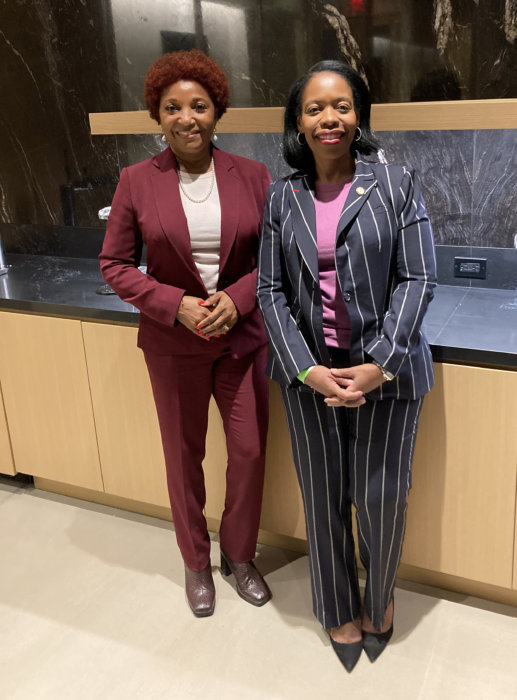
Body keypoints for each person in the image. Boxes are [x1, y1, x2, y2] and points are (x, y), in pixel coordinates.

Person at [257, 60, 436, 671]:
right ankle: (335, 606)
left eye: (341, 106)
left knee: (381, 496)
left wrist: (380, 363)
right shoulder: (283, 197)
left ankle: (379, 602)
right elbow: (268, 292)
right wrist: (305, 369)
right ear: (298, 122)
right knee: (323, 497)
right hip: (310, 379)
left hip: (387, 377)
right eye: (314, 108)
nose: (328, 118)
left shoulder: (397, 183)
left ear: (358, 115)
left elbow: (418, 277)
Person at [100, 49, 272, 618]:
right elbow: (115, 264)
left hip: (242, 339)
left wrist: (238, 299)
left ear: (216, 110)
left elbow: (276, 257)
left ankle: (239, 556)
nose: (186, 117)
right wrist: (175, 306)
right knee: (183, 457)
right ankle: (196, 562)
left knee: (247, 452)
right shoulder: (134, 181)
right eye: (172, 107)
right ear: (158, 115)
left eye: (198, 105)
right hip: (174, 345)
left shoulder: (252, 175)